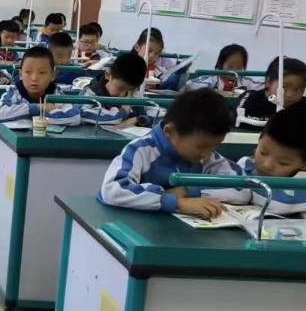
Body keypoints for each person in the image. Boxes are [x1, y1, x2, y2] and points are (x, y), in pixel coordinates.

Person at [98, 88, 242, 218]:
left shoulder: (208, 156)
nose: (207, 154)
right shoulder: (141, 150)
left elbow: (243, 188)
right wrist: (176, 203)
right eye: (201, 146)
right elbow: (113, 190)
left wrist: (188, 191)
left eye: (215, 146)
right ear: (170, 131)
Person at [234, 103, 306, 214]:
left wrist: (246, 189)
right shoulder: (247, 164)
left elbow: (282, 204)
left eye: (283, 163)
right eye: (263, 152)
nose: (267, 165)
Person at [0, 46, 81, 125]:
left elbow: (74, 116)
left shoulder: (56, 93)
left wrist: (30, 118)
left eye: (42, 72)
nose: (34, 78)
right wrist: (38, 108)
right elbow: (0, 113)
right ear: (20, 74)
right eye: (28, 72)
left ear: (52, 75)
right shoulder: (14, 91)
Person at [80, 52, 148, 125]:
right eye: (120, 88)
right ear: (108, 75)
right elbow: (81, 114)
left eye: (130, 90)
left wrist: (139, 120)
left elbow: (148, 115)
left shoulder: (133, 96)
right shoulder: (90, 93)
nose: (122, 95)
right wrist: (124, 110)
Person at [237, 57, 306, 121]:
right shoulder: (251, 99)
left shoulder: (303, 108)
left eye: (298, 89)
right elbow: (237, 118)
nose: (290, 95)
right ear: (268, 82)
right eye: (284, 87)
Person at [184, 44, 260, 94]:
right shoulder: (208, 82)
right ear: (221, 64)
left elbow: (263, 88)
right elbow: (187, 86)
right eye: (230, 67)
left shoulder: (246, 83)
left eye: (239, 67)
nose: (235, 71)